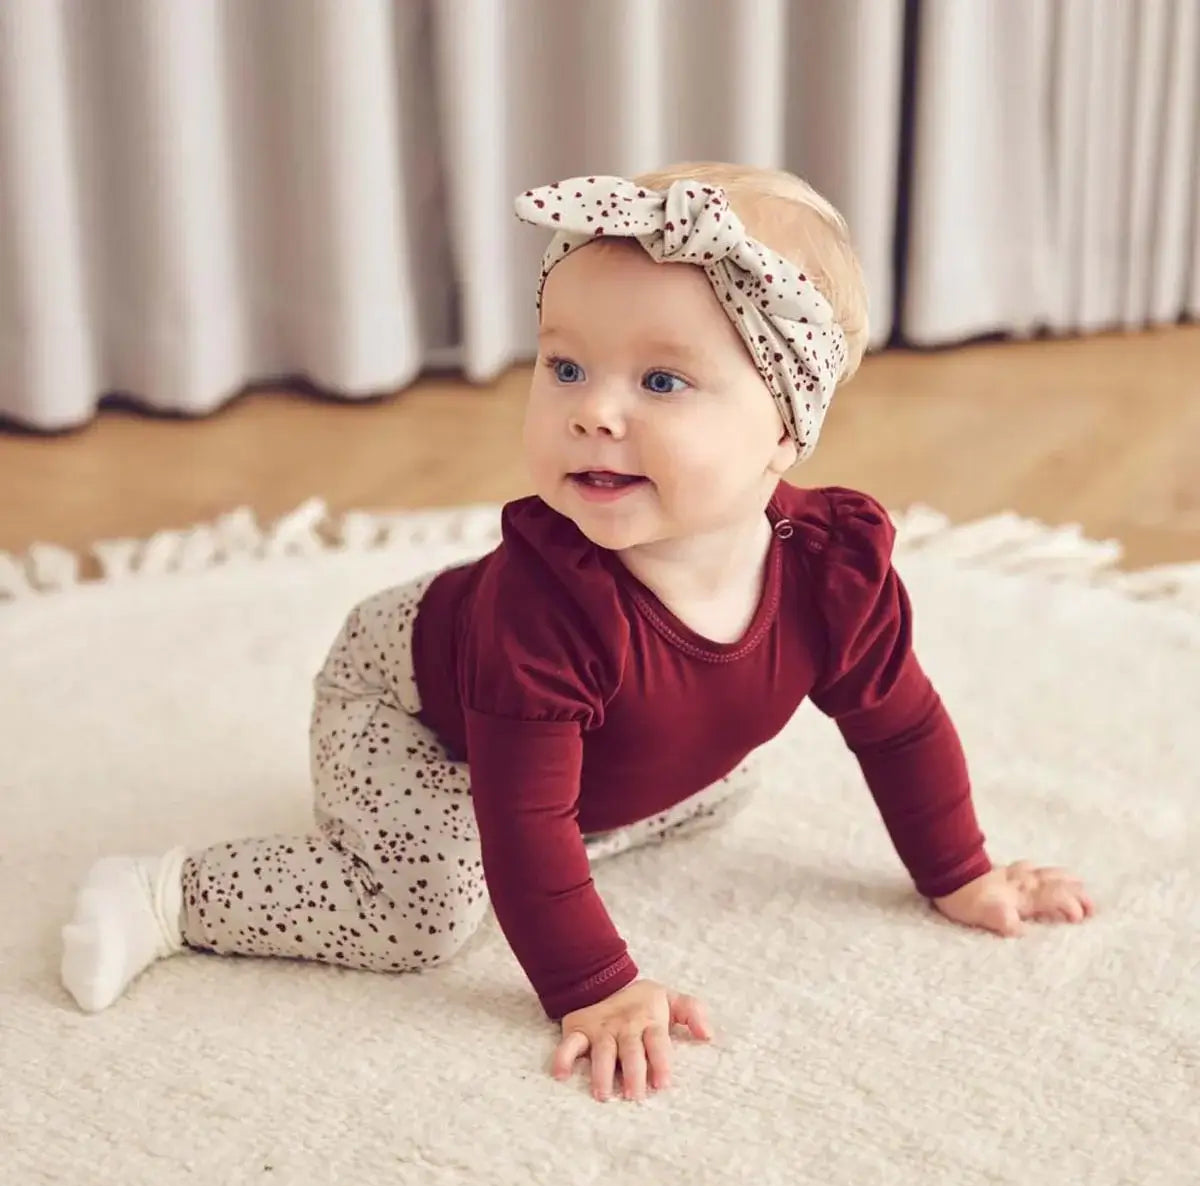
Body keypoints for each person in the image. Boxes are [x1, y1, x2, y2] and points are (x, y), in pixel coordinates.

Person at [60, 163, 1094, 1103]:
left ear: (785, 427)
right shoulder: (546, 607)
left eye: (660, 382)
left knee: (722, 779)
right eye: (564, 368)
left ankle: (588, 807)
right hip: (408, 702)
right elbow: (522, 818)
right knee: (428, 911)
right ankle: (167, 894)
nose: (594, 411)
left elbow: (900, 725)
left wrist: (962, 872)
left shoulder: (831, 569)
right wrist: (594, 987)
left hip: (588, 719)